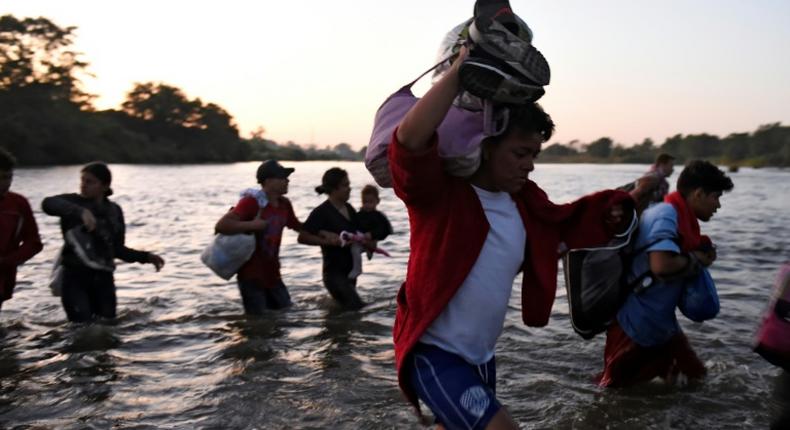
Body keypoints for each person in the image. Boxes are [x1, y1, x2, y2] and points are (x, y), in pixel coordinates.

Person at [390, 45, 632, 430]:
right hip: (433, 352)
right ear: (486, 146)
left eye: (534, 154)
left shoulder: (524, 204)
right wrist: (459, 70)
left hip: (482, 356)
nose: (529, 164)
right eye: (520, 152)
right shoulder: (442, 197)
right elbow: (408, 144)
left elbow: (566, 224)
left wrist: (616, 208)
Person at [597, 160, 734, 388]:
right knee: (610, 394)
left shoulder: (681, 219)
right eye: (716, 197)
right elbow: (661, 265)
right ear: (699, 194)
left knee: (695, 382)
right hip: (634, 327)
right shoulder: (666, 214)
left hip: (662, 327)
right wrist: (697, 259)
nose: (718, 205)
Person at [42, 162, 165, 323]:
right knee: (82, 327)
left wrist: (146, 257)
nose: (83, 186)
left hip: (104, 279)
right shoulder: (72, 203)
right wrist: (80, 212)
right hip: (74, 278)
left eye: (90, 182)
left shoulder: (114, 211)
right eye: (82, 181)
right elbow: (47, 203)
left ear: (105, 186)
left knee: (107, 327)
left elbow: (117, 249)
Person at [214, 160, 319, 314]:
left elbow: (297, 226)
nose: (287, 181)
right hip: (251, 276)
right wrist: (252, 225)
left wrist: (323, 233)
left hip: (273, 273)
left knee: (285, 316)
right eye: (283, 177)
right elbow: (221, 225)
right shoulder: (251, 202)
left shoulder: (284, 204)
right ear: (268, 181)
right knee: (258, 325)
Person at [298, 168, 370, 310]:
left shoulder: (349, 208)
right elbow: (303, 237)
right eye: (345, 185)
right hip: (333, 275)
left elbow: (358, 233)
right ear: (334, 188)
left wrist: (366, 242)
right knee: (357, 308)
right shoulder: (321, 212)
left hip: (350, 273)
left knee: (344, 315)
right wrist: (328, 241)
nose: (349, 189)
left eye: (348, 185)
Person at [0, 148, 43, 313]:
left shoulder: (18, 203)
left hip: (4, 274)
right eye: (1, 178)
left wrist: (7, 261)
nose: (5, 183)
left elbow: (34, 242)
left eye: (8, 177)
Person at [356, 184, 393, 259]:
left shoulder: (379, 216)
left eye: (370, 202)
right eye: (365, 202)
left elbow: (386, 229)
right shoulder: (358, 215)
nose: (367, 205)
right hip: (359, 237)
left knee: (378, 230)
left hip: (372, 237)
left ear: (377, 201)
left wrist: (372, 235)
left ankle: (370, 248)